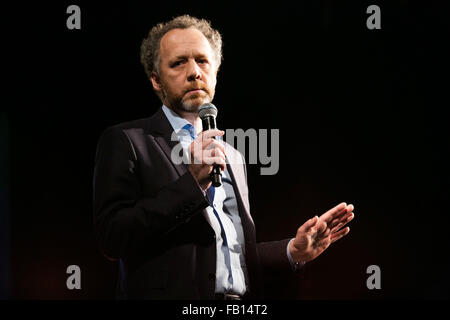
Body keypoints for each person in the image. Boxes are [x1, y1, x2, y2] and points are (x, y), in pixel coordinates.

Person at [93, 15, 355, 300]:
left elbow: (228, 250)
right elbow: (113, 238)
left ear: (215, 71)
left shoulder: (232, 156)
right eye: (179, 63)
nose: (194, 72)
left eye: (202, 61)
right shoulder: (128, 140)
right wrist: (191, 185)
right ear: (156, 80)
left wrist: (292, 250)